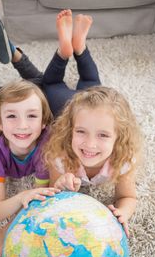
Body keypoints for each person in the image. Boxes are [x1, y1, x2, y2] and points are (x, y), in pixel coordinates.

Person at [0, 9, 100, 257]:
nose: (22, 126)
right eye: (13, 119)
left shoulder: (47, 145)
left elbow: (42, 193)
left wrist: (15, 217)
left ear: (46, 123)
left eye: (33, 118)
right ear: (1, 125)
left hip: (12, 104)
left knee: (37, 84)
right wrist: (22, 196)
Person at [44, 86, 143, 238]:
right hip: (58, 98)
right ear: (70, 130)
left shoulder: (123, 160)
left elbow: (127, 197)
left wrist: (122, 212)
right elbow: (54, 192)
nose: (90, 144)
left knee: (89, 82)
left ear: (119, 137)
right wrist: (60, 185)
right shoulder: (59, 157)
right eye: (81, 131)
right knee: (50, 87)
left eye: (103, 135)